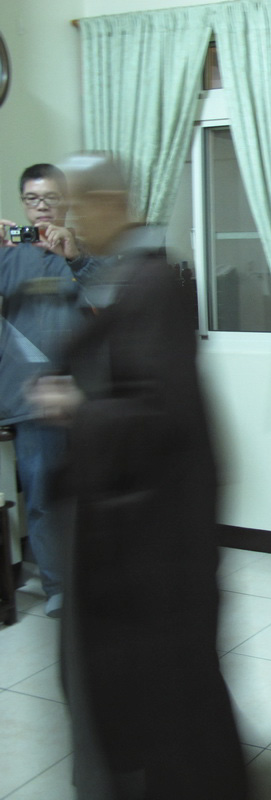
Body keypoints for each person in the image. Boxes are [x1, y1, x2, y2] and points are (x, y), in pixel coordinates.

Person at [26, 153, 247, 799]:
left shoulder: (153, 283)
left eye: (74, 204)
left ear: (106, 202)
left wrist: (78, 409)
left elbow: (161, 414)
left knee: (170, 683)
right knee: (149, 681)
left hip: (160, 535)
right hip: (137, 525)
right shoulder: (118, 274)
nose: (67, 218)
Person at [0, 163, 99, 617]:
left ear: (66, 200)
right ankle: (58, 585)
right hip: (31, 398)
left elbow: (111, 301)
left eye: (51, 198)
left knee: (91, 491)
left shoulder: (84, 250)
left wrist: (75, 258)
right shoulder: (8, 254)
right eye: (32, 199)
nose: (42, 207)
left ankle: (92, 577)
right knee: (42, 495)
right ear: (23, 203)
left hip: (84, 396)